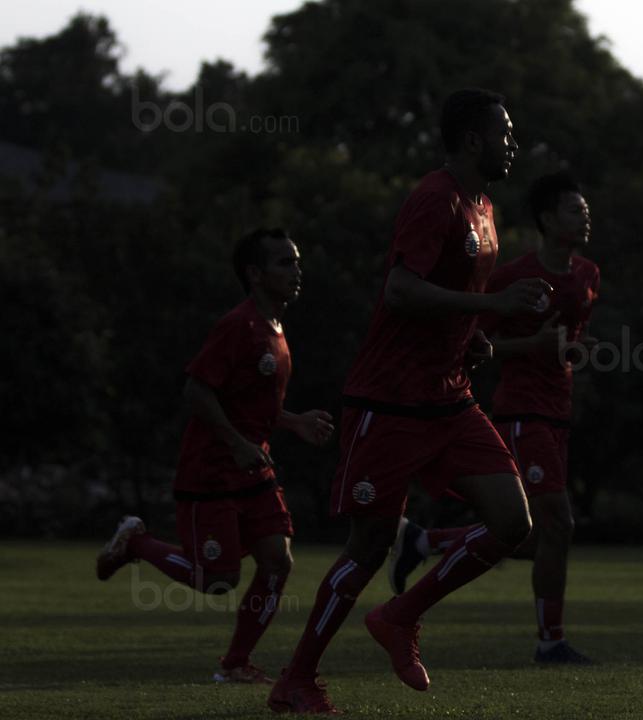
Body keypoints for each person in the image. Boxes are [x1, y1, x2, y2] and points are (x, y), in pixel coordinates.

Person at [268, 89, 548, 714]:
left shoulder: (484, 206)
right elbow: (399, 290)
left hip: (448, 398)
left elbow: (447, 297)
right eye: (505, 132)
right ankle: (296, 680)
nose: (513, 142)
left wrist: (474, 338)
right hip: (389, 402)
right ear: (473, 139)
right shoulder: (434, 198)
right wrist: (493, 308)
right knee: (368, 547)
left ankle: (399, 616)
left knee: (514, 523)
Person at [95, 227, 334, 684]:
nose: (296, 270)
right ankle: (137, 544)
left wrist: (294, 421)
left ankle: (235, 664)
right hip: (211, 472)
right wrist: (237, 443)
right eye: (285, 262)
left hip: (253, 469)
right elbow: (197, 391)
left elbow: (250, 403)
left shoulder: (276, 329)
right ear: (255, 274)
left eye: (296, 261)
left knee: (278, 561)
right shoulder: (238, 326)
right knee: (217, 578)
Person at [389, 171, 600, 664]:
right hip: (521, 408)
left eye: (585, 209)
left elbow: (567, 342)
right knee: (559, 523)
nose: (584, 216)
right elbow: (471, 341)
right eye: (575, 209)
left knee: (531, 530)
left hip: (558, 409)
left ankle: (426, 541)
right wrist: (532, 345)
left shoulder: (588, 276)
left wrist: (573, 349)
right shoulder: (513, 276)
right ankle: (550, 642)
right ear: (547, 220)